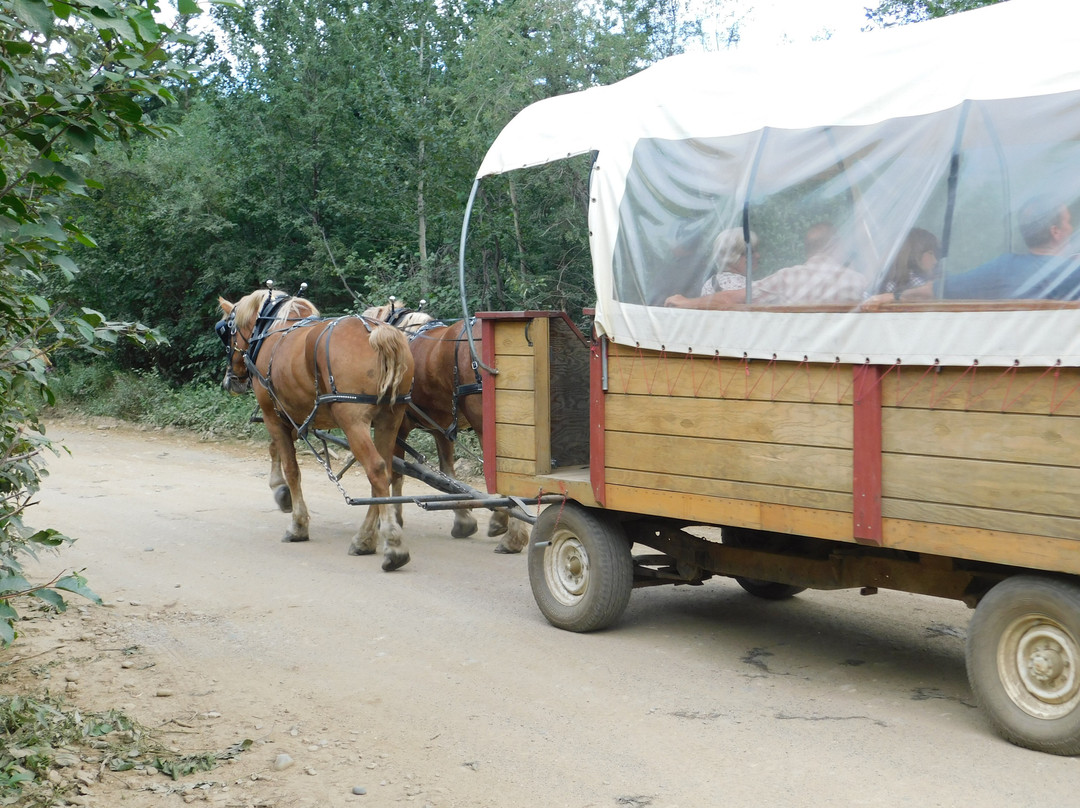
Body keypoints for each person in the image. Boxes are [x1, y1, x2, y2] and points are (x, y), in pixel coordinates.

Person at [665, 222, 867, 309]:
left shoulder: (787, 278)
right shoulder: (859, 281)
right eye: (753, 252)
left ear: (807, 249)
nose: (759, 256)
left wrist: (687, 302)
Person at [943, 195, 1075, 299]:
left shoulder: (1003, 267)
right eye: (1068, 222)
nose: (1072, 228)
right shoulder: (1071, 272)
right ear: (1055, 232)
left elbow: (937, 289)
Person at [861, 228, 940, 309]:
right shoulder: (919, 283)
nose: (935, 261)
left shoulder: (881, 282)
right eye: (930, 253)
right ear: (915, 253)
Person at [698, 228, 758, 295]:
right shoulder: (745, 286)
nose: (758, 255)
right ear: (732, 256)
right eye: (751, 252)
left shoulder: (710, 283)